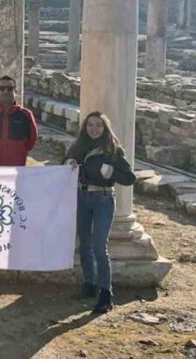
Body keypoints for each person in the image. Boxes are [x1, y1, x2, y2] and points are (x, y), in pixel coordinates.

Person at [65, 112, 136, 314]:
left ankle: (105, 293)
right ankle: (89, 284)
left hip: (103, 198)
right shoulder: (78, 146)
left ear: (105, 128)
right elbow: (65, 162)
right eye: (90, 125)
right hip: (82, 197)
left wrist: (112, 172)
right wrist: (69, 163)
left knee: (99, 246)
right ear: (85, 127)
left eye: (98, 125)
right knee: (85, 243)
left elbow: (129, 178)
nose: (94, 129)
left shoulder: (113, 149)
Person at [0, 75, 38, 167]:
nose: (6, 91)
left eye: (10, 88)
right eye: (2, 88)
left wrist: (19, 150)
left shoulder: (26, 114)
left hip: (16, 166)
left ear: (15, 91)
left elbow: (31, 141)